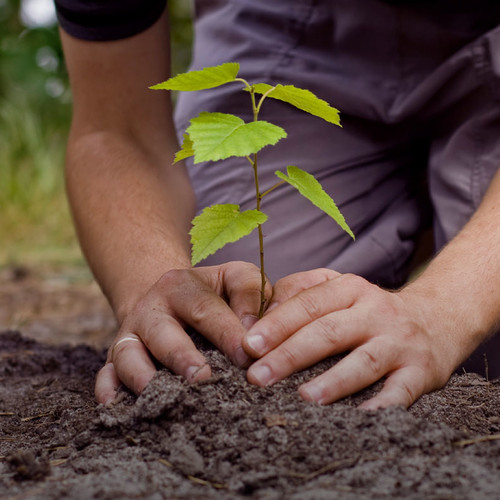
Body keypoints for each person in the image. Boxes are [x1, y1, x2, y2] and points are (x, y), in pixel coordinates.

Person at [54, 0, 500, 409]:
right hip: (293, 23)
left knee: (484, 349)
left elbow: (453, 315)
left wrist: (444, 307)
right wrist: (153, 290)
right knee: (248, 317)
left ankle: (443, 210)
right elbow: (114, 128)